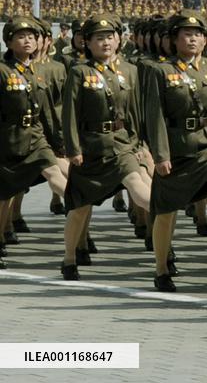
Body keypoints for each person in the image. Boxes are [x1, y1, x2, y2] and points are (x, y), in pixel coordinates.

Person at [61, 15, 151, 280]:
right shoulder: (80, 72)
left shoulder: (130, 70)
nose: (105, 43)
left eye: (110, 37)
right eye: (98, 38)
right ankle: (69, 259)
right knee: (79, 209)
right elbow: (70, 115)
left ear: (119, 39)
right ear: (87, 43)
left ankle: (163, 244)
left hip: (122, 145)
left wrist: (139, 143)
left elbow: (135, 110)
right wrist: (73, 148)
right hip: (90, 149)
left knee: (140, 190)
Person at [144, 11, 207, 292]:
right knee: (166, 213)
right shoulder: (160, 71)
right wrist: (160, 155)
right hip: (176, 148)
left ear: (205, 40)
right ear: (174, 39)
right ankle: (161, 267)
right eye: (187, 34)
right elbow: (154, 116)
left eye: (198, 34)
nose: (193, 39)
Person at [0, 16, 69, 270]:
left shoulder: (37, 71)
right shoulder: (2, 70)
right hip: (9, 140)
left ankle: (77, 204)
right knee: (4, 197)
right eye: (20, 37)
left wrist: (58, 142)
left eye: (31, 36)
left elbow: (48, 111)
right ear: (9, 41)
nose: (28, 41)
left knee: (54, 171)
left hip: (37, 136)